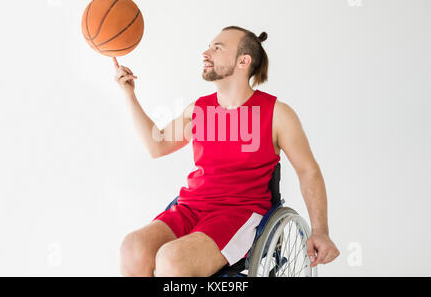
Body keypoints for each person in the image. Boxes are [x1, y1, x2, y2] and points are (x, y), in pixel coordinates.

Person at [114, 26, 339, 277]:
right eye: (209, 46)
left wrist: (321, 230)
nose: (206, 53)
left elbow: (308, 171)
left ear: (244, 61)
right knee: (132, 249)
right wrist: (129, 94)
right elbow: (156, 145)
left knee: (172, 260)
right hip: (192, 207)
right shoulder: (198, 109)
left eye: (217, 48)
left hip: (239, 213)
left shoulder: (277, 113)